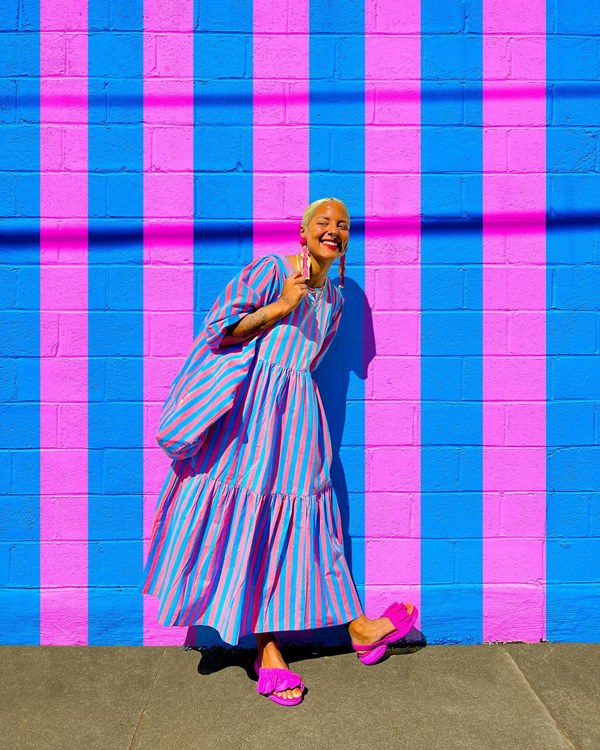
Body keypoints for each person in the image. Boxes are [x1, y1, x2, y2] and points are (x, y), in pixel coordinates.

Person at [140, 197, 418, 706]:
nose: (333, 230)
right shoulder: (272, 270)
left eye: (343, 226)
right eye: (323, 222)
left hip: (300, 416)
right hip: (249, 414)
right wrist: (281, 306)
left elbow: (305, 358)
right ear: (303, 231)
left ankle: (355, 626)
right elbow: (220, 330)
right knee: (255, 522)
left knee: (314, 522)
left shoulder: (333, 297)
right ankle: (266, 650)